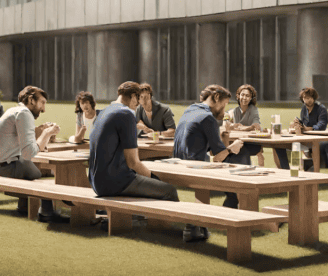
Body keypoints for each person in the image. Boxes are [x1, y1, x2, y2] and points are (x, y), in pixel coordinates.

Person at [89, 81, 181, 230]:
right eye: (138, 99)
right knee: (169, 190)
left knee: (145, 183)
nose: (138, 104)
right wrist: (153, 178)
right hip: (114, 182)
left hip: (95, 181)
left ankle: (135, 218)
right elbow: (133, 162)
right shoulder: (126, 114)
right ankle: (162, 229)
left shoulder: (103, 112)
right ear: (133, 96)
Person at [173, 84, 250, 241]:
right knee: (242, 159)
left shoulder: (191, 109)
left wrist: (223, 137)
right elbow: (218, 157)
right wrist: (233, 147)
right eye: (224, 105)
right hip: (195, 168)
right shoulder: (208, 118)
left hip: (177, 164)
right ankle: (231, 213)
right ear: (216, 98)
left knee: (233, 162)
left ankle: (200, 225)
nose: (224, 110)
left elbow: (208, 147)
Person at [0, 86, 67, 223]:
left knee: (39, 170)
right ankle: (46, 213)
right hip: (7, 166)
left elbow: (23, 138)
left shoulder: (14, 110)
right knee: (40, 175)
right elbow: (29, 152)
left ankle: (24, 206)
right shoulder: (24, 113)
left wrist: (40, 130)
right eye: (42, 103)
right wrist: (47, 133)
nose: (44, 109)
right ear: (31, 100)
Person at [227, 84, 266, 166]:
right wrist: (231, 124)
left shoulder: (253, 110)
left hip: (250, 143)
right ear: (238, 96)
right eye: (242, 95)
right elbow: (227, 125)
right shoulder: (233, 111)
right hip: (237, 141)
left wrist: (242, 128)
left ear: (251, 98)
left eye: (247, 96)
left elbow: (256, 125)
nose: (244, 98)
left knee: (241, 149)